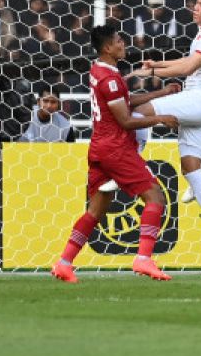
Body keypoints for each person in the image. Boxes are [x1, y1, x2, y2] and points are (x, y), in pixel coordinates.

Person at [50, 24, 179, 284]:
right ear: (108, 47)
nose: (123, 43)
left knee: (95, 211)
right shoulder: (109, 79)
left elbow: (124, 101)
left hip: (100, 146)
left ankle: (64, 262)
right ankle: (143, 258)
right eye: (119, 40)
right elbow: (125, 120)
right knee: (155, 197)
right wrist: (160, 118)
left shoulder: (100, 71)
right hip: (116, 148)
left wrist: (162, 92)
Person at [129, 0, 201, 253]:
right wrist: (157, 64)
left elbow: (188, 68)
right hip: (198, 104)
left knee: (138, 111)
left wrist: (150, 74)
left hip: (200, 99)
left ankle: (130, 164)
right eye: (196, 3)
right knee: (190, 166)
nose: (195, 8)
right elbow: (186, 62)